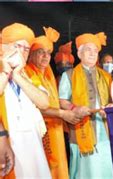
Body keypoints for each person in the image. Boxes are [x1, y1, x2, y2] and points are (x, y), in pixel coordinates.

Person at [25, 26, 79, 179]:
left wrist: (72, 109)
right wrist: (63, 113)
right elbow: (36, 106)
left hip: (56, 130)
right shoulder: (28, 73)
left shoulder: (48, 75)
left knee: (59, 168)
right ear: (31, 54)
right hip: (40, 132)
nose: (45, 56)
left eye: (48, 53)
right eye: (40, 52)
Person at [58, 32, 113, 178]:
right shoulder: (68, 75)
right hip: (82, 128)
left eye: (95, 50)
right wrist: (74, 108)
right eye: (88, 49)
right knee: (87, 170)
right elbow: (62, 101)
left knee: (107, 165)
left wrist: (110, 106)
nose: (92, 53)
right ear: (79, 53)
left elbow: (112, 100)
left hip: (105, 129)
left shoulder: (106, 76)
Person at [0, 23, 51, 178]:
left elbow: (44, 102)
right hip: (7, 145)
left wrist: (17, 75)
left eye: (26, 49)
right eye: (17, 46)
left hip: (33, 146)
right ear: (3, 47)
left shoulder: (28, 75)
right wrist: (6, 70)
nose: (21, 52)